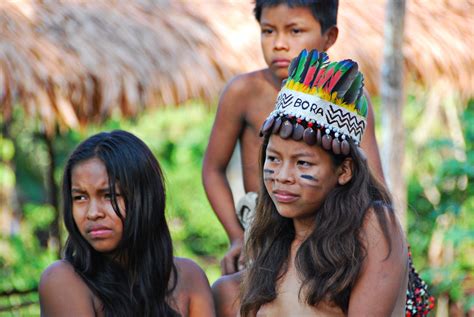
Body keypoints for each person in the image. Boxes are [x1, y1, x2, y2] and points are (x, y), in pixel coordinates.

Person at [212, 49, 410, 316]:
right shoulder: (273, 245)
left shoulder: (373, 224)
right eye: (273, 159)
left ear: (344, 171)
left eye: (302, 163)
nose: (282, 176)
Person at [202, 0, 385, 275]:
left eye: (295, 31)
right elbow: (213, 169)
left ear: (329, 37)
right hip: (266, 236)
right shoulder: (243, 92)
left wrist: (378, 242)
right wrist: (237, 235)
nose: (279, 44)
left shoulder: (349, 101)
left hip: (333, 237)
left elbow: (373, 181)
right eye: (268, 31)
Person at [39, 130, 215, 317]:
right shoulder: (62, 279)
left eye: (109, 196)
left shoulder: (189, 277)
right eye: (80, 197)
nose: (93, 213)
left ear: (145, 199)